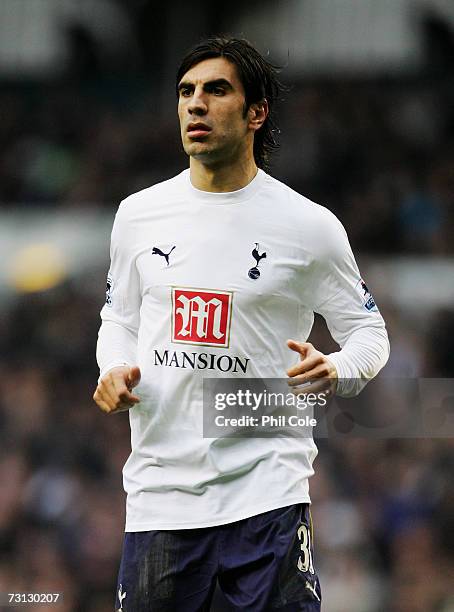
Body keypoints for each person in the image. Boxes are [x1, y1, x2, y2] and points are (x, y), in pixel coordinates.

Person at [93, 36, 390, 612]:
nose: (196, 104)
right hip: (160, 497)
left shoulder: (308, 225)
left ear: (256, 113)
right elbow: (119, 319)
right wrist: (112, 368)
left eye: (216, 90)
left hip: (266, 491)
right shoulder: (137, 215)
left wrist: (337, 368)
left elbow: (369, 334)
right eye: (186, 92)